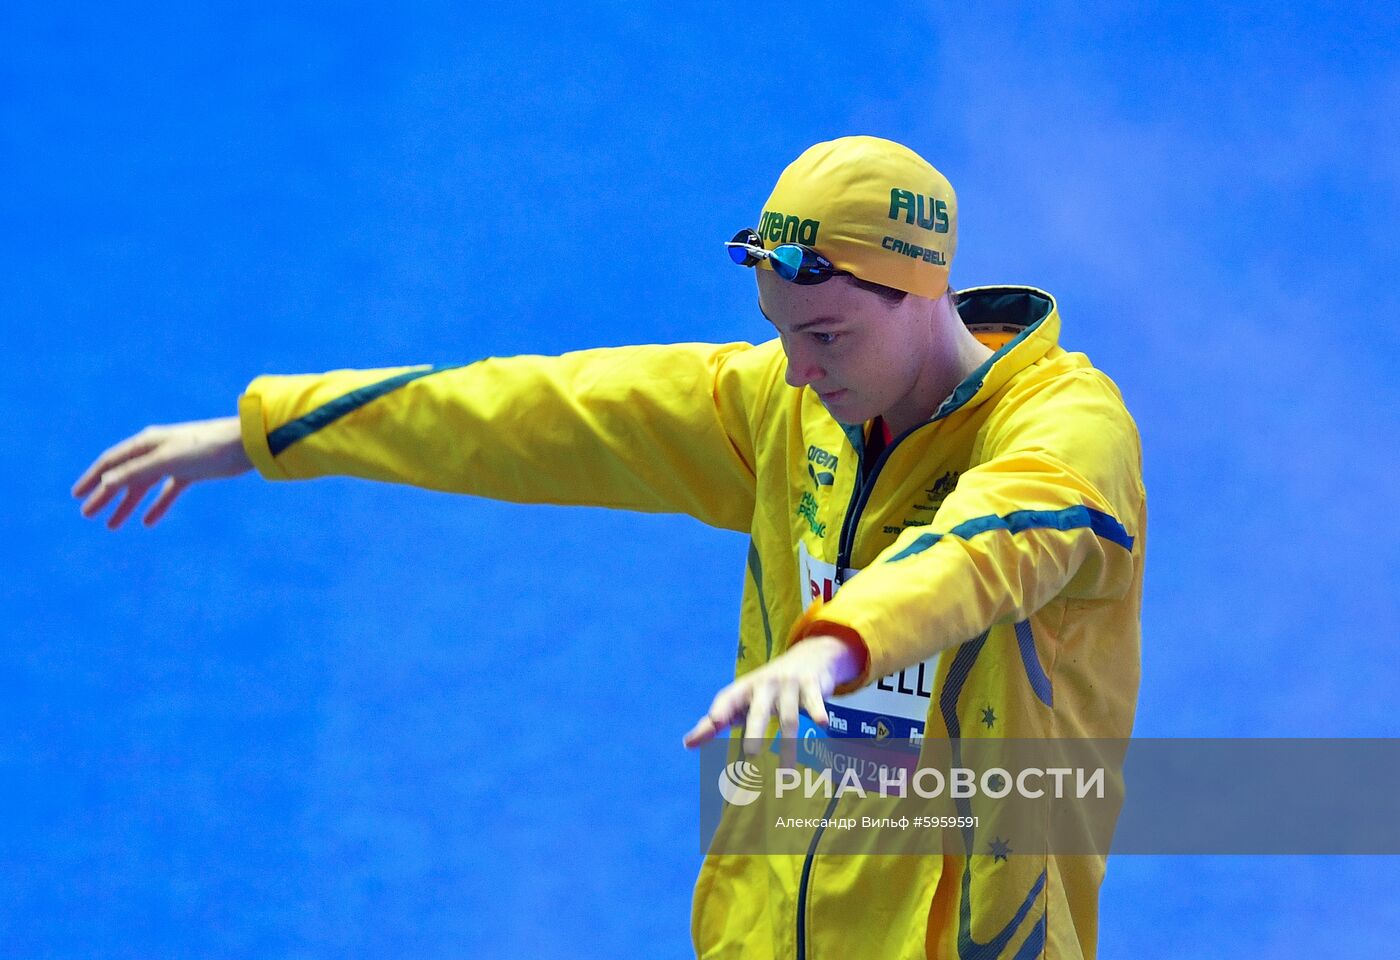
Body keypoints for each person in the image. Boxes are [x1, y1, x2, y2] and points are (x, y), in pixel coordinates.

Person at [73, 135, 1146, 959]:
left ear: (921, 290)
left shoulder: (1065, 433)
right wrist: (267, 431)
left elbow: (983, 543)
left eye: (825, 336)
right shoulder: (785, 411)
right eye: (779, 332)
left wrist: (836, 643)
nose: (797, 369)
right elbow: (536, 412)